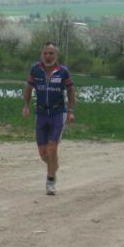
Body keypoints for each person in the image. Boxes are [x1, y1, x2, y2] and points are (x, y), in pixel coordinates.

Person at [22, 42, 75, 195]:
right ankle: (53, 166)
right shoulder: (35, 69)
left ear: (56, 55)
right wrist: (26, 106)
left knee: (52, 147)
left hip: (58, 113)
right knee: (43, 153)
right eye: (45, 53)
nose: (48, 56)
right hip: (41, 114)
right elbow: (28, 88)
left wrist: (71, 111)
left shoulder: (63, 71)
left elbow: (71, 91)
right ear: (42, 54)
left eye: (51, 53)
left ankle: (50, 181)